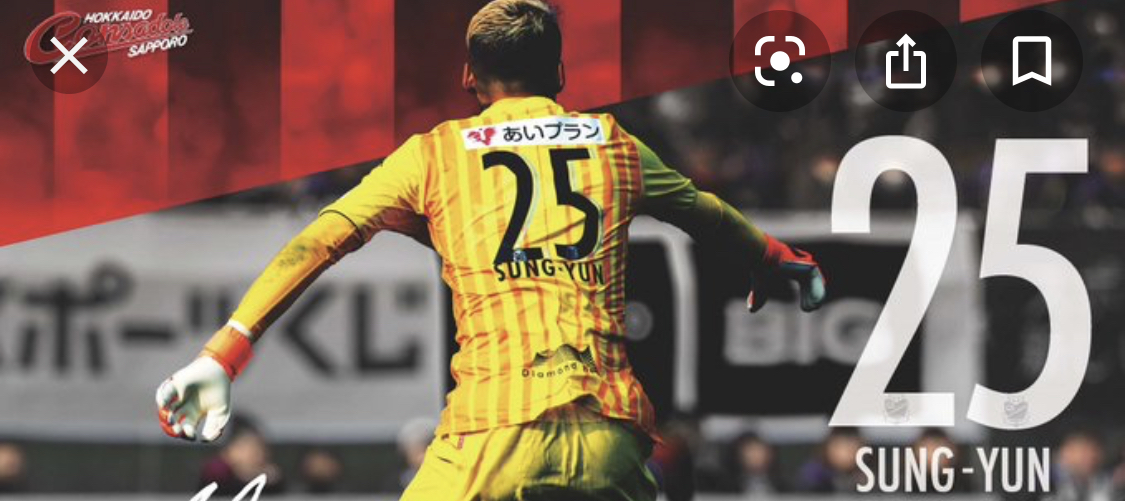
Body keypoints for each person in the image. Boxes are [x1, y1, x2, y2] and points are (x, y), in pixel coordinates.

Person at [154, 1, 826, 499]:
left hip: (490, 434)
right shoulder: (613, 144)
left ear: (469, 77)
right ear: (559, 72)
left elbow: (317, 240)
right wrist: (773, 257)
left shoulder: (433, 156)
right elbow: (705, 213)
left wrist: (225, 352)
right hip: (609, 438)